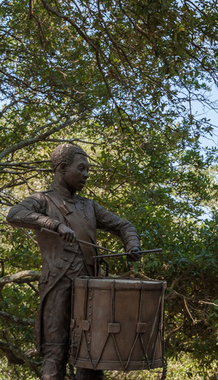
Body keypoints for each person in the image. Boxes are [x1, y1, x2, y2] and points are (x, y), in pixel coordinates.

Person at [6, 144, 141, 380]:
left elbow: (124, 225)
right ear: (61, 168)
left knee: (93, 355)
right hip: (58, 284)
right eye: (82, 169)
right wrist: (53, 224)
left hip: (92, 290)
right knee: (54, 354)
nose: (87, 175)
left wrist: (132, 244)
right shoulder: (42, 200)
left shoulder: (88, 206)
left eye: (88, 169)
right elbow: (14, 214)